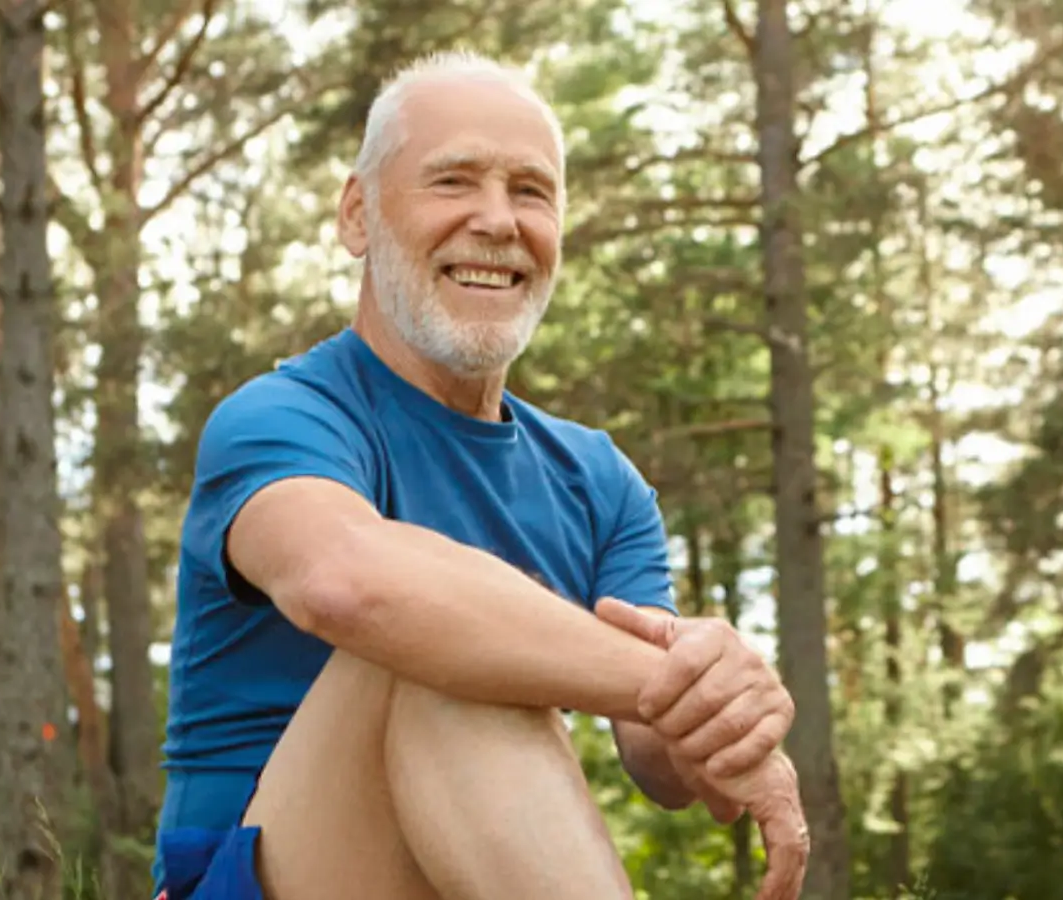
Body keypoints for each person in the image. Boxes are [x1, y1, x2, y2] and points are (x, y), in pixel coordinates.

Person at [151, 50, 809, 900]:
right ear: (359, 216)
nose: (498, 220)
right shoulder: (282, 418)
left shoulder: (597, 480)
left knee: (478, 648)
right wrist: (660, 679)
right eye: (453, 181)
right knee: (436, 653)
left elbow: (661, 765)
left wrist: (722, 703)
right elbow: (345, 585)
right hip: (255, 878)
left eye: (531, 191)